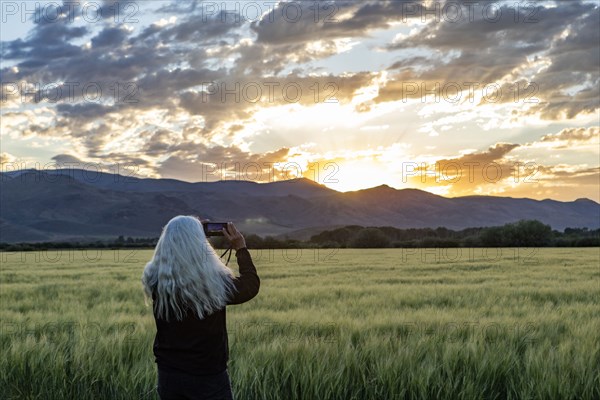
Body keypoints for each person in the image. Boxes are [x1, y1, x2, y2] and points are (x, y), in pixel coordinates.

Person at [142, 215, 260, 400]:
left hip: (168, 375)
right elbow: (250, 286)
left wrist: (194, 233)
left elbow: (179, 256)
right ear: (199, 242)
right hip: (207, 377)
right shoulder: (213, 283)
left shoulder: (156, 278)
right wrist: (241, 248)